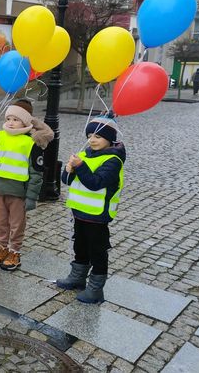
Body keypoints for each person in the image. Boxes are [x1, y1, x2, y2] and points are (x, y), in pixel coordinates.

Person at [57, 114, 125, 304]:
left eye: (97, 136)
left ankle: (96, 289)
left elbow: (96, 183)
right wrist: (68, 170)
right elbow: (67, 181)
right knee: (80, 246)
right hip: (80, 213)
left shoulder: (113, 160)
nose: (92, 140)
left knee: (97, 252)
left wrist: (80, 166)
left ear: (109, 139)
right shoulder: (85, 154)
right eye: (89, 136)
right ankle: (77, 277)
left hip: (97, 216)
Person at [0, 99, 53, 270]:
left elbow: (36, 173)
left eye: (16, 119)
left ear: (25, 121)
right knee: (0, 222)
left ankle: (14, 251)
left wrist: (31, 197)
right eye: (8, 119)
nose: (11, 123)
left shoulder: (31, 142)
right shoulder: (0, 136)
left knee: (16, 224)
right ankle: (1, 247)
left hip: (18, 192)